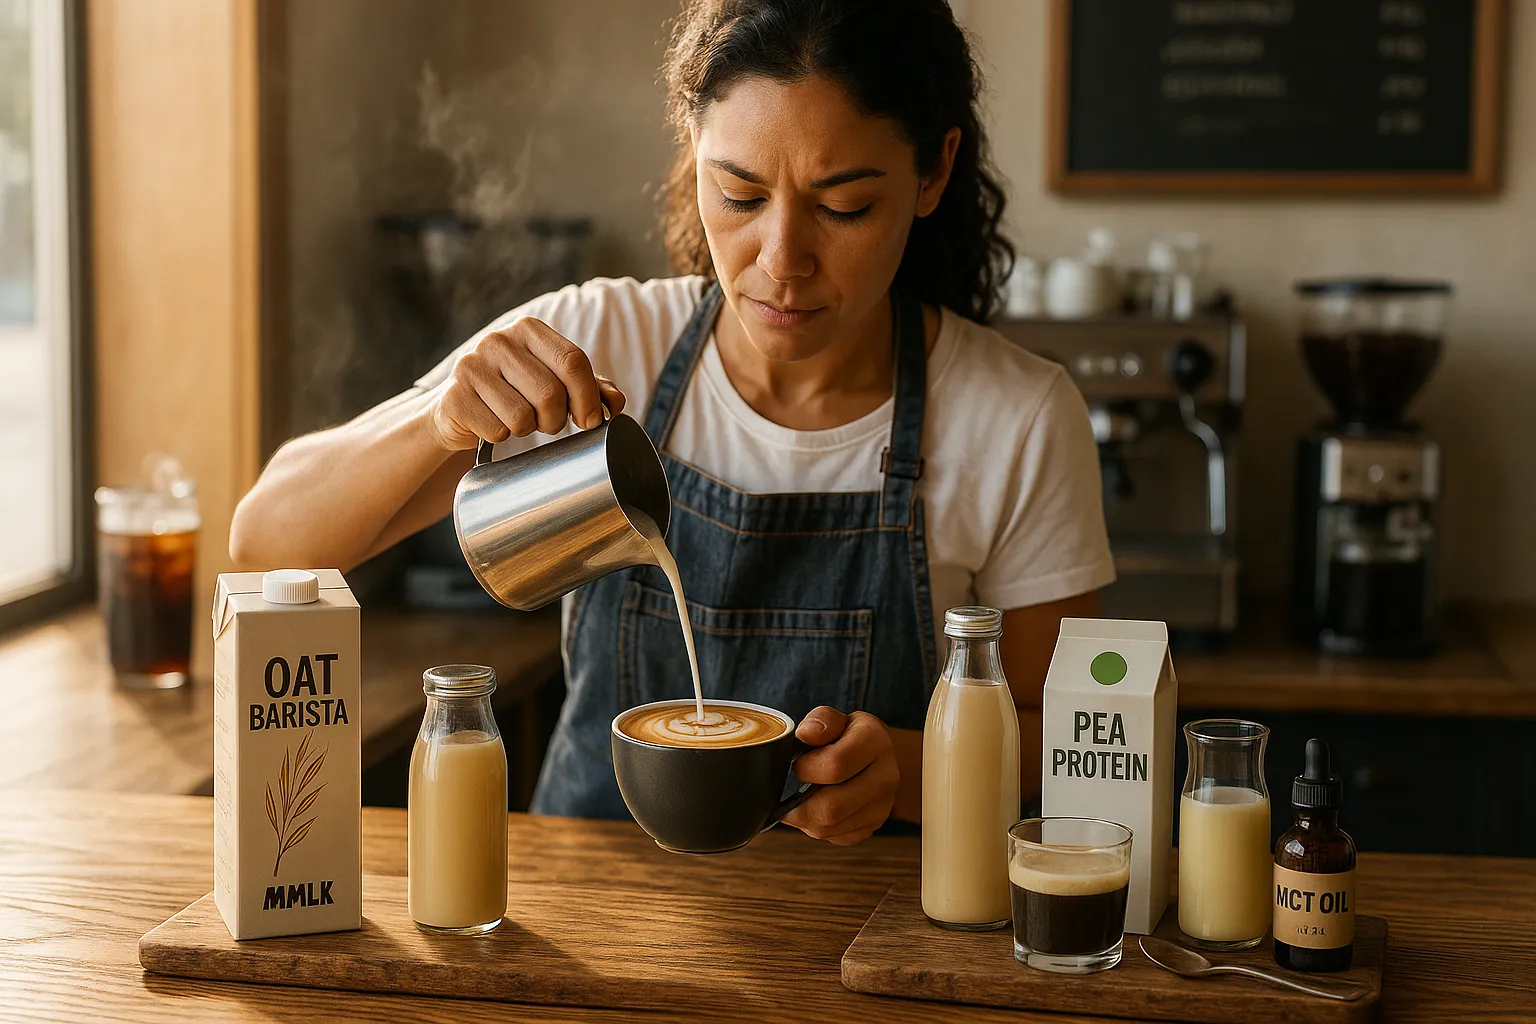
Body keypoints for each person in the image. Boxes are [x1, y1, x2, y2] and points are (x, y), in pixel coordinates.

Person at [230, 0, 1113, 847]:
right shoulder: (601, 344)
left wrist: (911, 770)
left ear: (934, 171)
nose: (782, 261)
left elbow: (1067, 738)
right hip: (587, 899)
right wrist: (436, 418)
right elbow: (267, 541)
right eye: (739, 194)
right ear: (693, 154)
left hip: (854, 917)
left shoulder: (1016, 418)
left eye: (843, 206)